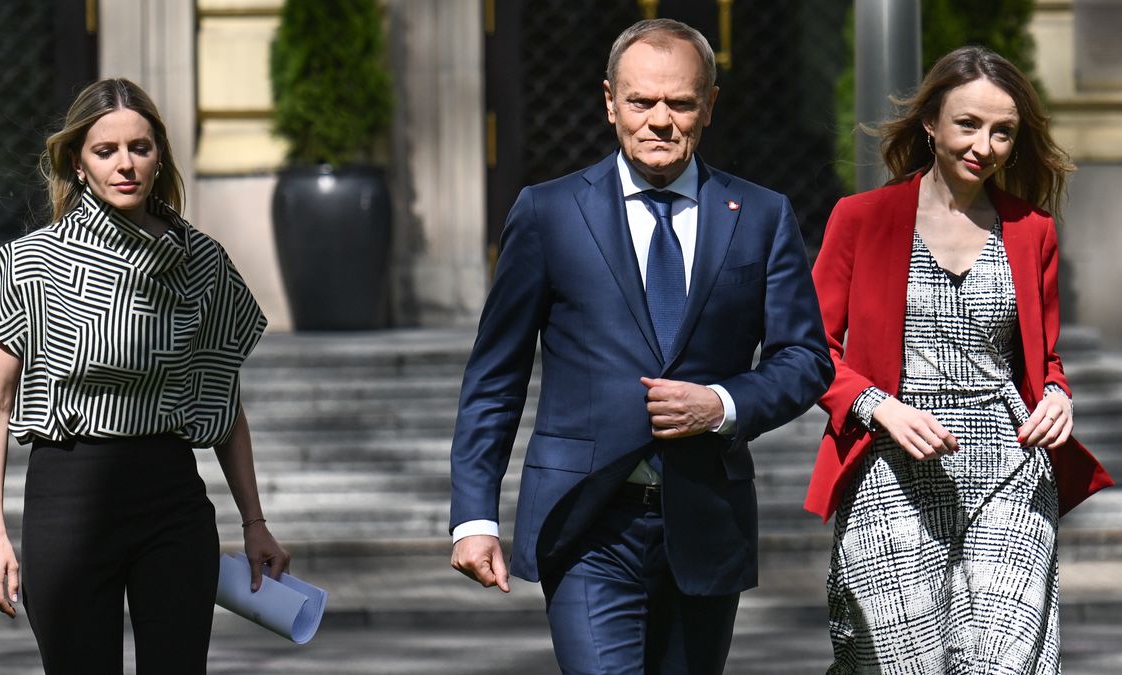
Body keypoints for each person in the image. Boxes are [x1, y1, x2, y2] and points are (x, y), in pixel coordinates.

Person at [449, 18, 833, 673]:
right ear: (609, 102)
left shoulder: (761, 215)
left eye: (680, 103)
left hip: (707, 519)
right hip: (586, 523)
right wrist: (473, 515)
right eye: (641, 101)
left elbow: (806, 359)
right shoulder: (548, 214)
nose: (659, 119)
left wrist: (720, 404)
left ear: (708, 105)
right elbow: (495, 374)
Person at [806, 46, 1114, 673]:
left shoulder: (1033, 230)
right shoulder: (860, 219)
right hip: (890, 467)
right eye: (968, 124)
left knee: (1004, 660)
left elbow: (1043, 359)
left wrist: (1058, 396)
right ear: (930, 124)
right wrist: (877, 407)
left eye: (1003, 131)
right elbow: (811, 348)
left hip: (1010, 467)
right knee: (894, 661)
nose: (985, 145)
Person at [0, 78, 289, 674]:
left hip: (171, 498)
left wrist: (255, 521)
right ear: (77, 162)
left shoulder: (203, 263)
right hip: (66, 497)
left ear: (159, 155)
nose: (125, 165)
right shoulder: (30, 264)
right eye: (105, 150)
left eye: (139, 148)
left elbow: (223, 400)